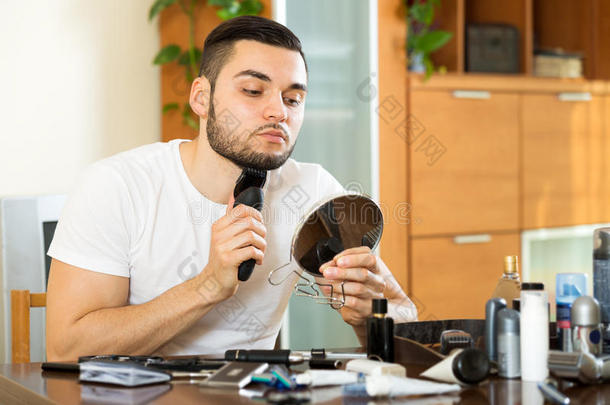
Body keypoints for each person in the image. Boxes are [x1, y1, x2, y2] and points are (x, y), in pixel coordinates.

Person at [46, 15, 416, 361]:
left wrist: (370, 318)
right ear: (201, 98)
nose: (279, 112)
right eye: (254, 91)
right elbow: (66, 349)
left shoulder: (311, 189)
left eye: (293, 99)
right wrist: (208, 286)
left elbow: (404, 315)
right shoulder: (117, 186)